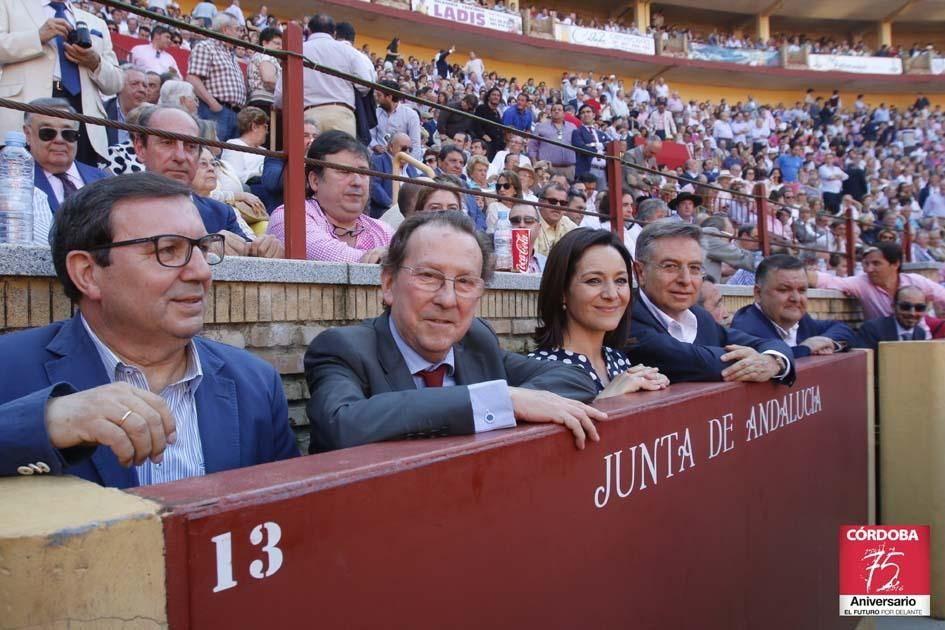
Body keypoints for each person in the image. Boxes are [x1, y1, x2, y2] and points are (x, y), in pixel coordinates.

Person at [0, 173, 298, 484]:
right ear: (87, 273)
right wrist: (44, 422)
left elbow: (289, 515)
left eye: (202, 248)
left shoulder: (255, 384)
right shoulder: (10, 370)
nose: (201, 272)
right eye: (167, 250)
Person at [304, 211, 603, 453]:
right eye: (428, 276)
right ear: (388, 284)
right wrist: (497, 402)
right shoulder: (343, 349)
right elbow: (341, 425)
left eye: (465, 282)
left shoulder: (475, 339)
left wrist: (515, 399)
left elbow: (576, 379)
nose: (447, 299)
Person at [628, 222, 795, 384]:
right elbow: (696, 362)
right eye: (670, 266)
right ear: (640, 272)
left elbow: (769, 343)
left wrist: (773, 360)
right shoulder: (626, 320)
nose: (686, 280)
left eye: (694, 268)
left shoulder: (700, 317)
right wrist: (758, 362)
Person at [529, 228, 669, 397]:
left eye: (620, 280)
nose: (611, 294)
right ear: (562, 292)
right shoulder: (540, 370)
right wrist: (608, 399)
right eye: (593, 281)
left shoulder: (619, 360)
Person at [134, 106, 283, 259]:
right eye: (167, 143)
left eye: (190, 146)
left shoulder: (223, 214)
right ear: (140, 148)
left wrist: (266, 250)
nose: (180, 156)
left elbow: (253, 257)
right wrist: (200, 249)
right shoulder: (116, 206)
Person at [0, 0, 123, 166]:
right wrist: (37, 37)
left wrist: (95, 62)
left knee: (80, 186)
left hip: (83, 115)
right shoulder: (9, 4)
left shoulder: (96, 22)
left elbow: (116, 83)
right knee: (17, 182)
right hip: (24, 110)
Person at [267, 130, 393, 263]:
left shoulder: (383, 231)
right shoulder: (290, 218)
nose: (357, 182)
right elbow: (330, 258)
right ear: (315, 181)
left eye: (363, 172)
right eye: (344, 171)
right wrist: (390, 261)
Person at [731, 254, 855, 358]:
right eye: (784, 290)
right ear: (758, 293)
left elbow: (842, 329)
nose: (795, 299)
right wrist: (806, 348)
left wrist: (825, 342)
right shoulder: (745, 329)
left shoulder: (801, 320)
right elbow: (773, 359)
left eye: (802, 290)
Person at [275, 14, 375, 137]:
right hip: (341, 114)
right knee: (341, 155)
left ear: (309, 30)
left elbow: (280, 96)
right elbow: (364, 85)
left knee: (308, 155)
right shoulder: (349, 51)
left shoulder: (298, 50)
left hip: (308, 115)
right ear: (334, 33)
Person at [809, 242, 945, 320]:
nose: (869, 269)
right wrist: (797, 274)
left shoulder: (916, 281)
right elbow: (828, 280)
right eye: (866, 264)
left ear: (895, 264)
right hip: (885, 345)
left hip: (922, 342)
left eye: (876, 264)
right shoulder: (862, 283)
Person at [24, 98, 110, 215]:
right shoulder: (13, 182)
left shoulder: (104, 180)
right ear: (28, 135)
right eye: (48, 133)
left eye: (68, 133)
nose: (59, 140)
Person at [186, 13, 247, 141]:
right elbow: (193, 78)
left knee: (228, 156)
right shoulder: (206, 47)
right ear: (225, 29)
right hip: (214, 110)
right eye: (237, 29)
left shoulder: (231, 54)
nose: (240, 34)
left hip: (234, 113)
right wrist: (213, 103)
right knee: (212, 152)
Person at [854, 286, 934, 351]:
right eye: (905, 307)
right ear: (893, 307)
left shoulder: (920, 333)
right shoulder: (872, 330)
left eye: (919, 308)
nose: (912, 313)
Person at [700, 215, 754, 286]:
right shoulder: (709, 237)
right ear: (720, 233)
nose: (731, 243)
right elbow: (743, 259)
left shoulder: (703, 238)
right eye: (730, 238)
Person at [220, 106, 269, 184]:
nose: (267, 132)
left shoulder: (264, 151)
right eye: (265, 127)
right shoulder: (234, 144)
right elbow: (235, 175)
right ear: (254, 127)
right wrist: (260, 174)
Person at [534, 183, 578, 257]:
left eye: (563, 203)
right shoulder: (528, 221)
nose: (558, 206)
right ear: (540, 202)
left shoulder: (567, 223)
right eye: (553, 201)